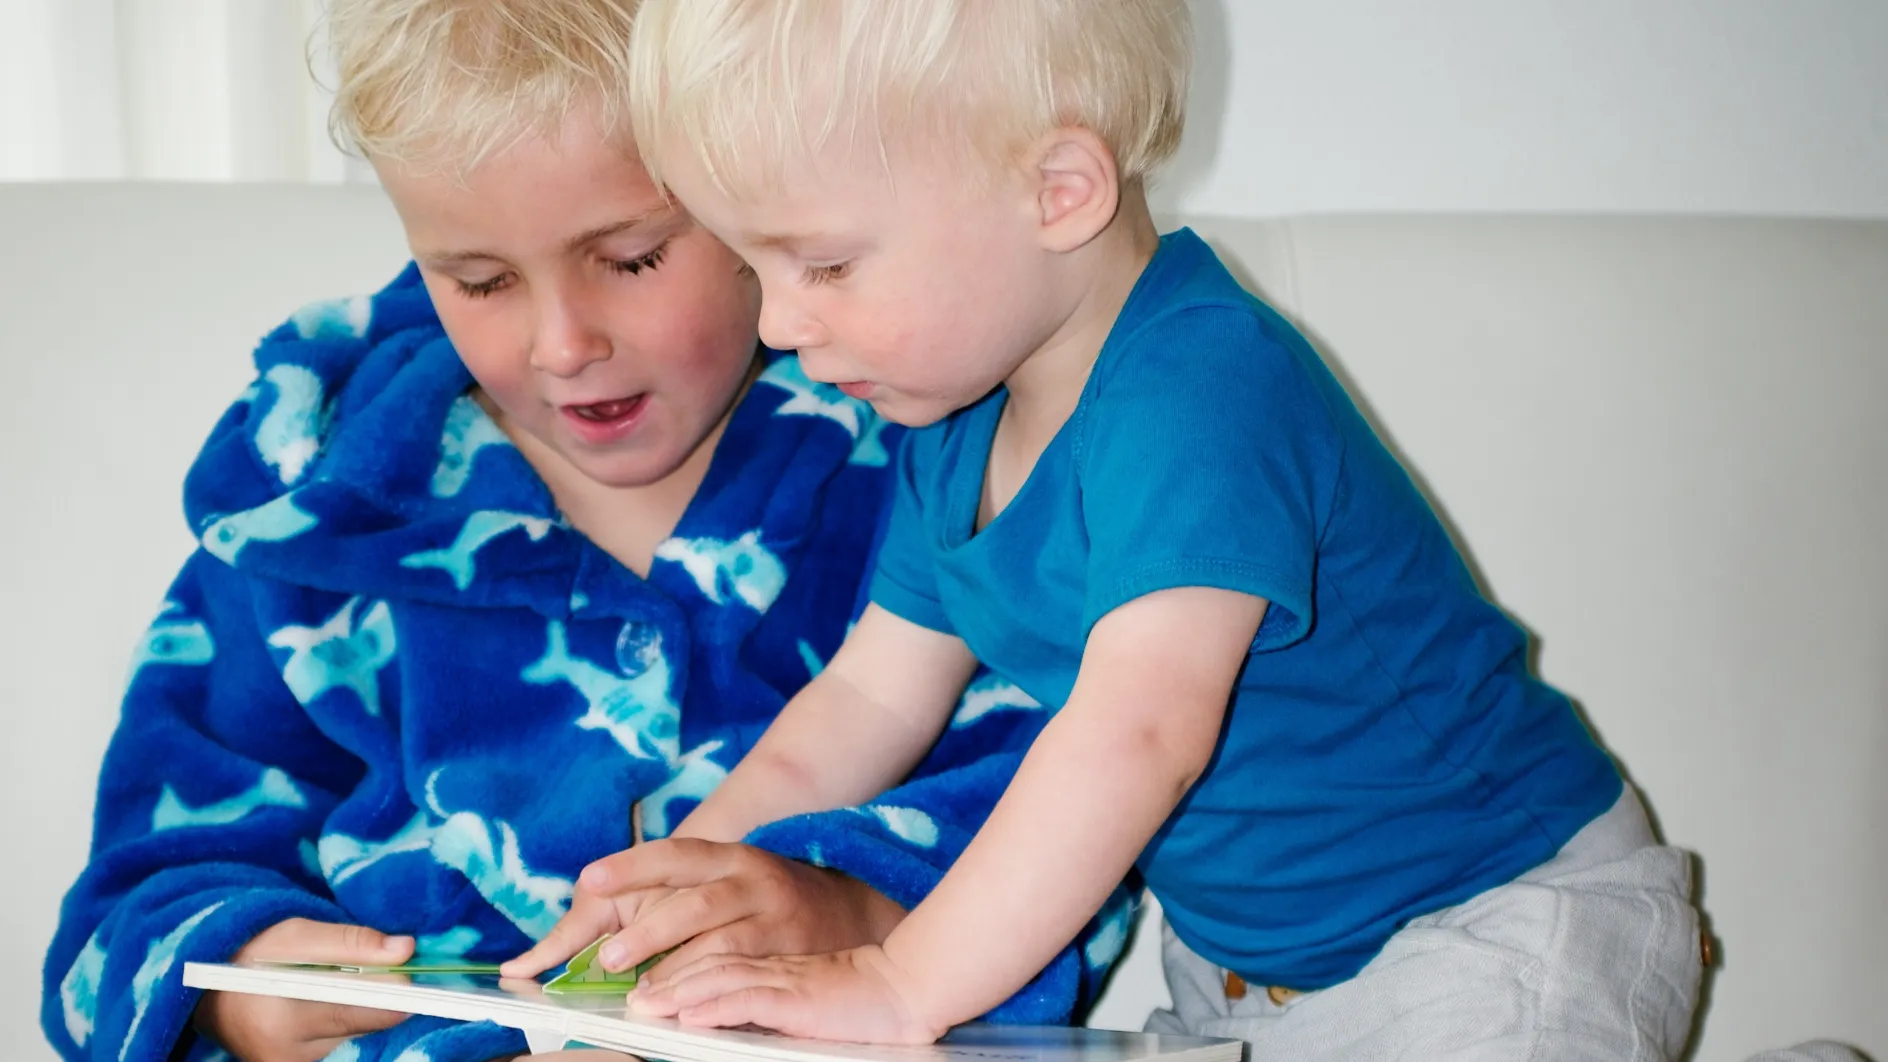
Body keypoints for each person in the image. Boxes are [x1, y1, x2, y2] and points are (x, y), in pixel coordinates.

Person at [564, 0, 1708, 1056]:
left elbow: (1137, 735)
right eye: (754, 264)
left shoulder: (1202, 386)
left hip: (1494, 922)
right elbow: (864, 702)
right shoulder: (954, 428)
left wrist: (904, 983)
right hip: (1248, 984)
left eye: (824, 264)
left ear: (1060, 190)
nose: (780, 321)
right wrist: (666, 890)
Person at [39, 3, 1126, 1060]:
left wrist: (852, 907)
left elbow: (1083, 787)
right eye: (480, 280)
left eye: (632, 258)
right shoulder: (306, 521)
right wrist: (244, 991)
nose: (560, 344)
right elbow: (134, 893)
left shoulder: (928, 459)